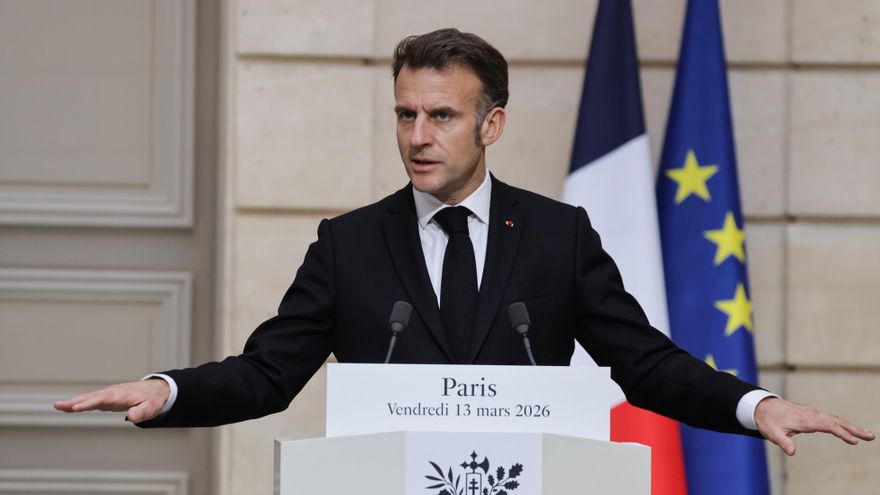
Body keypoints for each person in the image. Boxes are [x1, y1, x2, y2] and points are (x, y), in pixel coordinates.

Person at [55, 28, 872, 456]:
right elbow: (268, 373)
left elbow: (645, 362)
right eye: (405, 114)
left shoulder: (558, 236)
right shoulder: (348, 244)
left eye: (441, 115)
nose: (418, 135)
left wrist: (754, 403)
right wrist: (168, 389)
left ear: (492, 124)